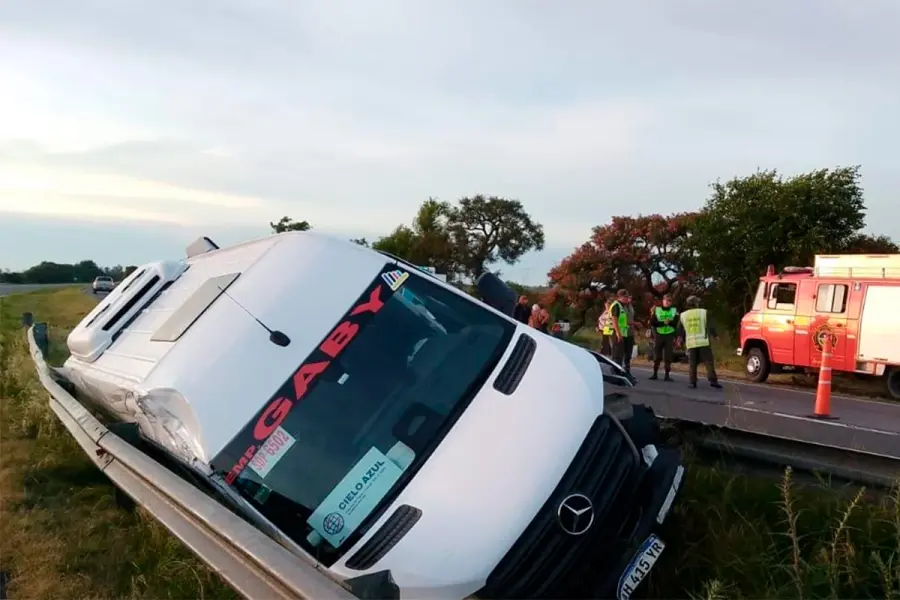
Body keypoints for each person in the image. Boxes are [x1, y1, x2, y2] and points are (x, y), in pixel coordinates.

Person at [676, 295, 723, 389]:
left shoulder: (683, 315)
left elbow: (679, 329)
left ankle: (692, 382)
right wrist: (715, 336)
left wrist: (679, 339)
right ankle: (713, 380)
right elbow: (710, 326)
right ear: (695, 303)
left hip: (691, 343)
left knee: (692, 363)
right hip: (703, 342)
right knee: (709, 362)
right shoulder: (703, 312)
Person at [649, 294, 679, 381]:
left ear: (671, 302)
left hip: (669, 335)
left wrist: (669, 322)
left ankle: (667, 375)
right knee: (657, 354)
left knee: (668, 355)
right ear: (663, 301)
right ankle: (655, 374)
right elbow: (652, 322)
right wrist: (663, 323)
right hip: (659, 334)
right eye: (666, 300)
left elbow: (677, 323)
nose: (667, 302)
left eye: (669, 300)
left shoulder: (674, 311)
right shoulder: (657, 310)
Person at [609, 289, 635, 373]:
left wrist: (634, 323)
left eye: (627, 297)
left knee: (621, 354)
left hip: (623, 332)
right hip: (616, 332)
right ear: (619, 297)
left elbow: (623, 321)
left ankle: (620, 372)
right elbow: (614, 319)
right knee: (617, 355)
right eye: (625, 297)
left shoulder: (622, 306)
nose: (626, 298)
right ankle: (615, 372)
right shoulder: (616, 305)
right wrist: (618, 333)